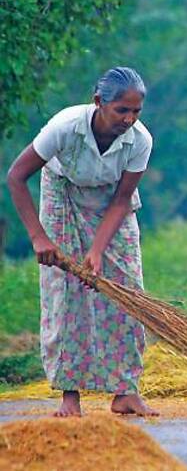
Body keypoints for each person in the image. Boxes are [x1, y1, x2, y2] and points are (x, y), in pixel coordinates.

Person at [6, 66, 159, 417]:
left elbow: (122, 200)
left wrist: (96, 250)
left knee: (129, 289)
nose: (129, 119)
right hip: (64, 194)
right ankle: (69, 397)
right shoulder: (65, 127)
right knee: (66, 290)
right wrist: (38, 237)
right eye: (122, 110)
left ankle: (126, 390)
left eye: (136, 111)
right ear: (98, 103)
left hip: (110, 202)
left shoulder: (141, 141)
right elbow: (16, 176)